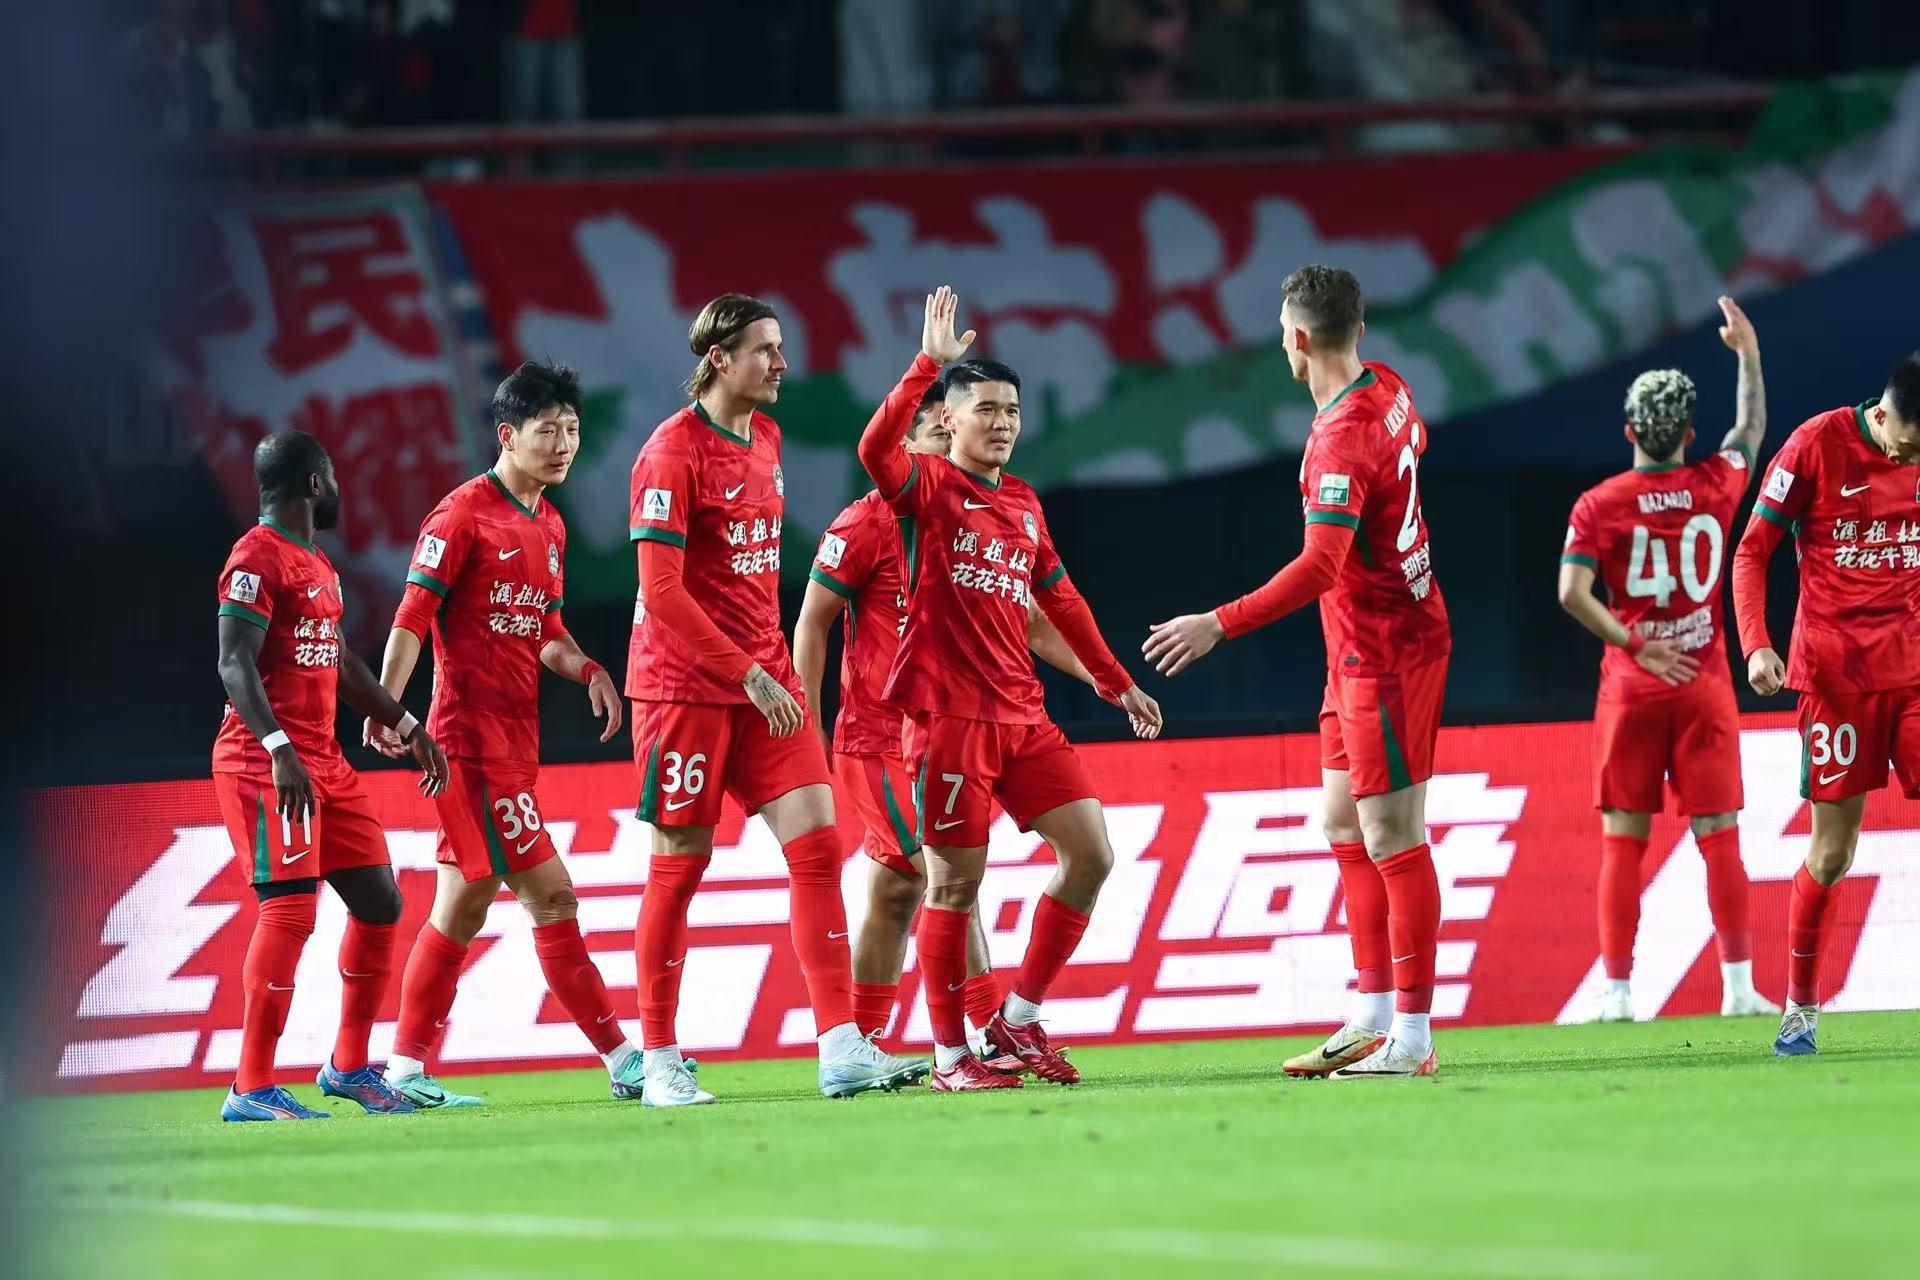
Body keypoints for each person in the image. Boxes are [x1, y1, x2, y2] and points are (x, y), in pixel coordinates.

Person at [1144, 265, 1449, 1079]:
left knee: (1393, 835)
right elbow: (1413, 452)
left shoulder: (1340, 437)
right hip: (1356, 645)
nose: (1281, 343)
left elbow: (1320, 565)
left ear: (1300, 338)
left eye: (1283, 332)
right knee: (1344, 825)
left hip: (1390, 649)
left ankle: (1414, 1037)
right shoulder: (1390, 386)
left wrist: (1217, 623)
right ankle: (1371, 1016)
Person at [857, 286, 1163, 1092]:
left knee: (1091, 854)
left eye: (1012, 411)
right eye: (985, 408)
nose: (1001, 423)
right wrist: (926, 363)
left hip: (1023, 716)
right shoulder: (924, 488)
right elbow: (874, 449)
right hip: (948, 720)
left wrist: (1114, 681)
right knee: (953, 886)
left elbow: (1062, 599)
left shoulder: (1023, 503)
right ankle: (950, 1057)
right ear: (949, 419)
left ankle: (1018, 1017)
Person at [628, 295, 923, 1104]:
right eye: (765, 349)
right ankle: (659, 1060)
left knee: (819, 847)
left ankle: (840, 1047)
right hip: (685, 688)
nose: (782, 363)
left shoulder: (766, 438)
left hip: (766, 683)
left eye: (781, 347)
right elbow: (662, 589)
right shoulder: (670, 453)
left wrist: (767, 673)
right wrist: (746, 672)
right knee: (679, 867)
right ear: (719, 358)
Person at [793, 372, 1100, 1062]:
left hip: (951, 726)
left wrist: (1103, 680)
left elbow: (1033, 621)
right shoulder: (867, 520)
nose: (948, 446)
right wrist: (809, 728)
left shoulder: (978, 520)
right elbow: (813, 621)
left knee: (896, 891)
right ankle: (990, 1032)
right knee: (945, 878)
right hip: (879, 738)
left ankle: (856, 1046)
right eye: (936, 433)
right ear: (906, 446)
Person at [366, 362, 640, 1107]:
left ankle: (404, 1069)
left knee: (465, 906)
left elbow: (543, 627)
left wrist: (587, 668)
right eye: (547, 430)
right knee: (550, 897)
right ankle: (623, 1058)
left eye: (572, 429)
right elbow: (412, 618)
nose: (563, 444)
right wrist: (387, 705)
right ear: (507, 435)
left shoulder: (550, 524)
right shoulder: (460, 515)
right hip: (468, 746)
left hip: (515, 746)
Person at [212, 430, 448, 1121]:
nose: (340, 488)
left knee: (380, 902)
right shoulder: (254, 557)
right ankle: (250, 1086)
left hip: (325, 761)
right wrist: (279, 747)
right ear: (315, 484)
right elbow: (233, 662)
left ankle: (347, 1068)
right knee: (290, 910)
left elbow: (339, 663)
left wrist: (407, 724)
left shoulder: (316, 563)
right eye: (334, 477)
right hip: (265, 761)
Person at [1557, 296, 1777, 1023]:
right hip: (1704, 683)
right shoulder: (1718, 482)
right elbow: (1750, 429)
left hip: (1633, 688)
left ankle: (1618, 993)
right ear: (1688, 433)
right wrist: (1747, 354)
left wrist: (1635, 644)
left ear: (1629, 431)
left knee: (1624, 842)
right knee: (1719, 837)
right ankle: (1739, 989)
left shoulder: (1598, 504)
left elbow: (1571, 594)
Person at [1732, 351, 1920, 1056]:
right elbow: (1752, 552)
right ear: (1885, 413)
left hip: (1913, 671)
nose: (1911, 458)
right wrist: (1757, 644)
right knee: (1834, 852)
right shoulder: (1816, 444)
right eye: (1909, 443)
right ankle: (1800, 1009)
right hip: (1835, 681)